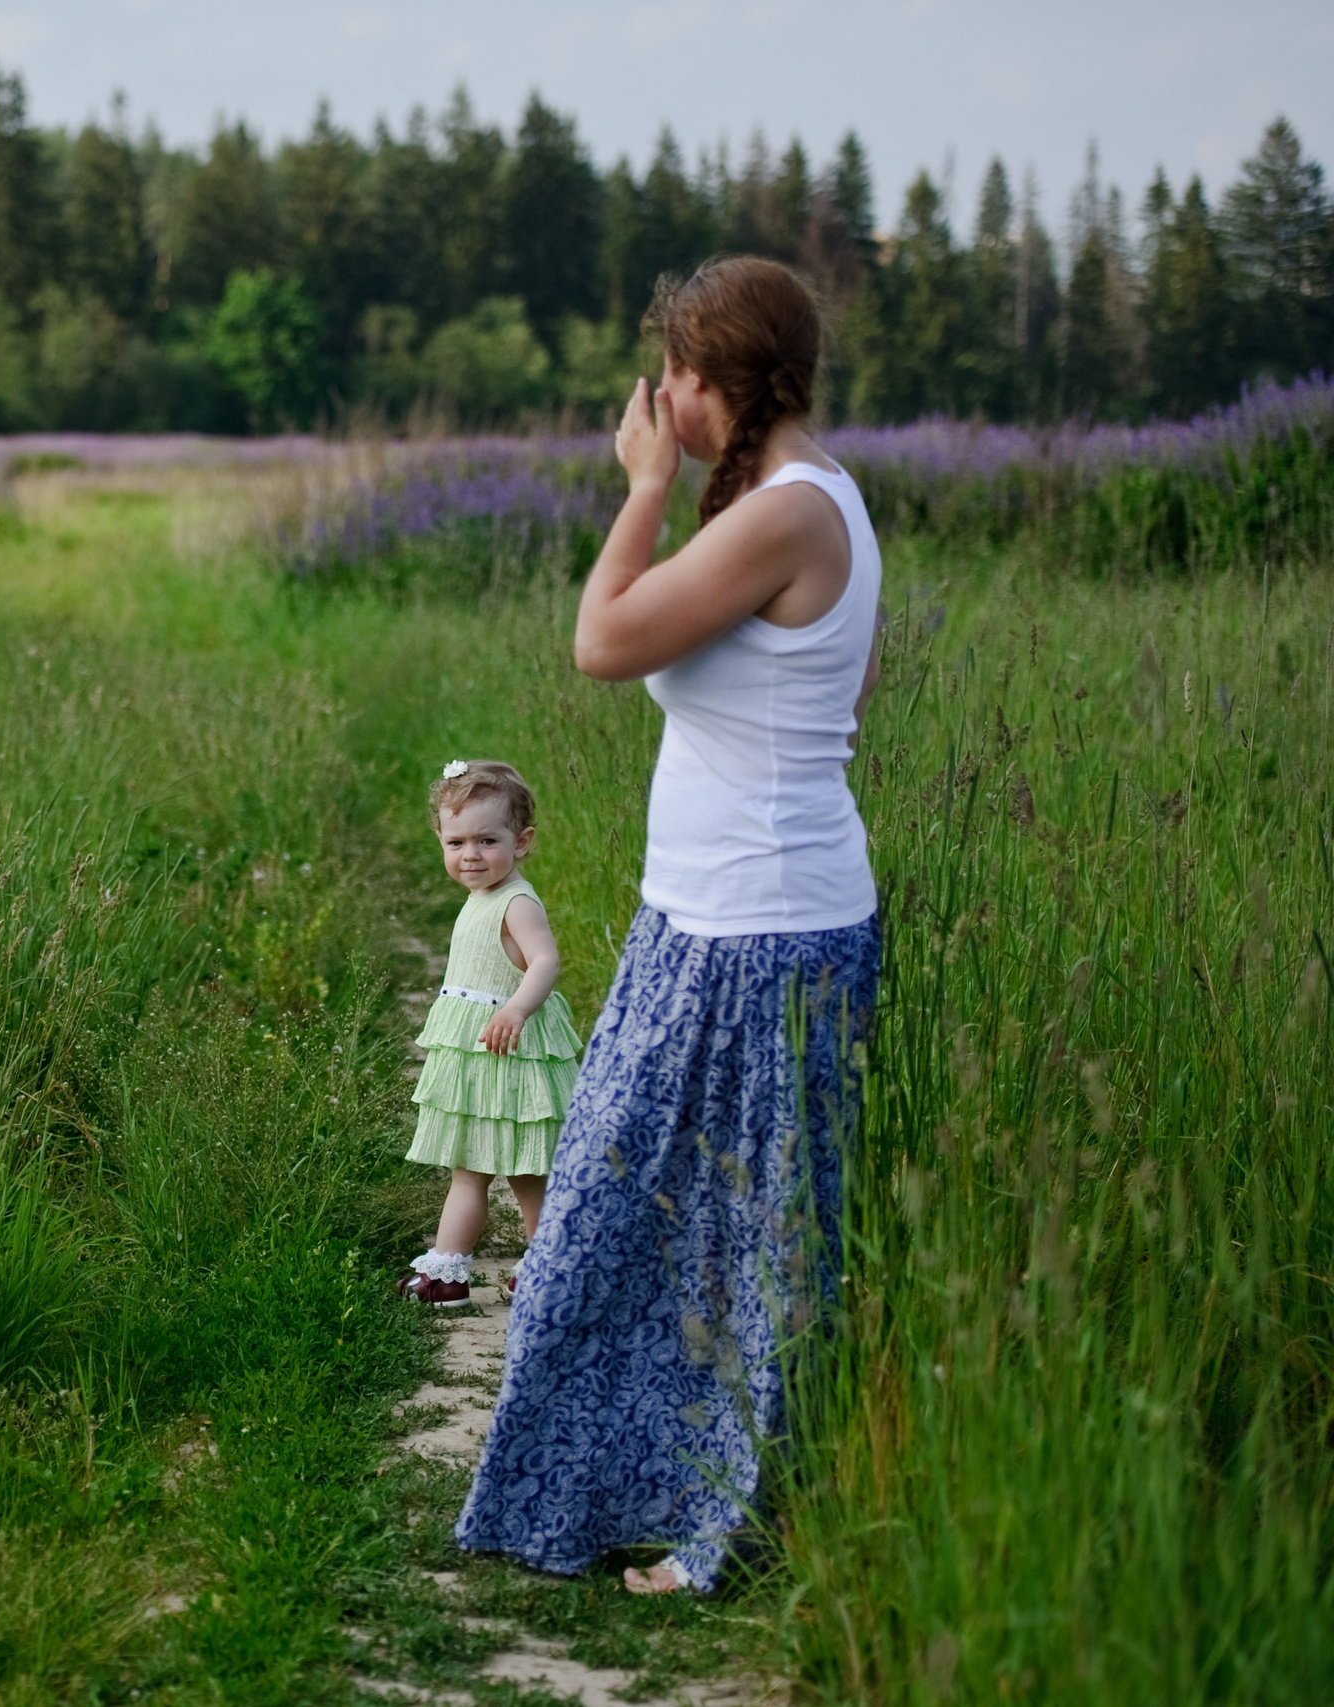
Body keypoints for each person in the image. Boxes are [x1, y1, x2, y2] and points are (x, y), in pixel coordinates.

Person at [453, 255, 884, 1597]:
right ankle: (627, 1502)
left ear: (718, 379)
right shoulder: (796, 502)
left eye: (677, 373)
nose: (663, 396)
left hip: (759, 936)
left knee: (725, 1242)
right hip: (707, 922)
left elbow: (603, 638)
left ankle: (711, 1541)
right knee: (648, 1224)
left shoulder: (791, 510)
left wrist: (642, 486)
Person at [397, 760, 581, 1307]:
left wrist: (519, 1009)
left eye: (487, 840)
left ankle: (549, 1267)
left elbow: (545, 962)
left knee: (528, 1171)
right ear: (440, 841)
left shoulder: (516, 901)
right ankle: (447, 1273)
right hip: (479, 1055)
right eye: (456, 842)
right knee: (468, 1167)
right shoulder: (477, 898)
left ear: (522, 842)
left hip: (515, 1052)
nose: (470, 855)